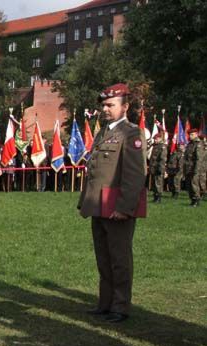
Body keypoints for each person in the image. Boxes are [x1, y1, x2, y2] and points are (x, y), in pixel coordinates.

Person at [78, 83, 146, 323]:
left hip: (117, 207)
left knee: (119, 259)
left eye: (110, 105)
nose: (105, 109)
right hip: (99, 205)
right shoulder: (102, 133)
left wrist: (125, 208)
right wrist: (85, 202)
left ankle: (120, 306)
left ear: (125, 107)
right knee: (103, 258)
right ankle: (105, 303)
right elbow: (94, 171)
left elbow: (134, 175)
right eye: (103, 105)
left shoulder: (131, 134)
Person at [184, 127, 203, 207]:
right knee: (189, 185)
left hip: (194, 168)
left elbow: (199, 158)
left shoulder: (198, 144)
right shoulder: (190, 144)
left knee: (194, 184)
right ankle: (192, 199)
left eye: (192, 134)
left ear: (196, 134)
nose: (190, 136)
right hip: (188, 168)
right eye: (190, 134)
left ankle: (196, 200)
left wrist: (196, 169)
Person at [149, 132, 167, 203]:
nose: (155, 140)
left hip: (159, 168)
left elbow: (162, 159)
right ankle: (155, 196)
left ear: (160, 138)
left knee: (158, 183)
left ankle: (158, 197)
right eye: (154, 139)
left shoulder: (162, 147)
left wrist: (161, 169)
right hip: (153, 168)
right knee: (154, 183)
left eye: (156, 139)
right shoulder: (155, 146)